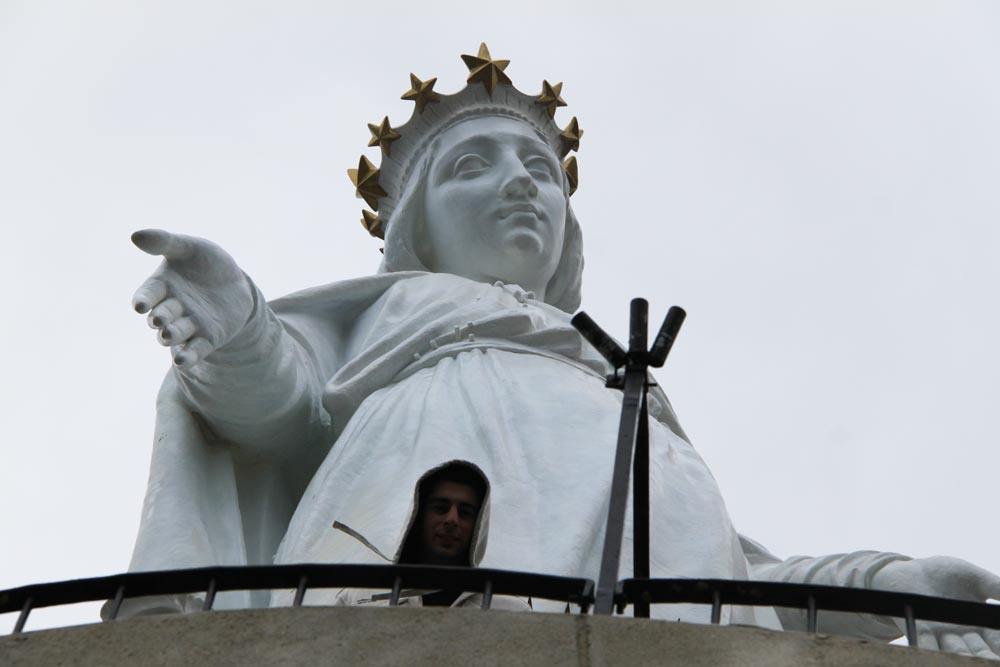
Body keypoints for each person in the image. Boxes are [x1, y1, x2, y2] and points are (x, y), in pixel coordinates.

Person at [123, 44, 1000, 658]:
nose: (519, 181)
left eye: (538, 168)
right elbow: (279, 414)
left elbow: (743, 581)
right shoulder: (397, 318)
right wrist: (232, 321)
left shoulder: (620, 390)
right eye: (474, 165)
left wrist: (897, 582)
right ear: (413, 225)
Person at [329, 460, 528, 610]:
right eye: (440, 508)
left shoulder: (507, 611)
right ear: (419, 516)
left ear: (479, 525)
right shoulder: (361, 599)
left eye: (465, 512)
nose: (452, 519)